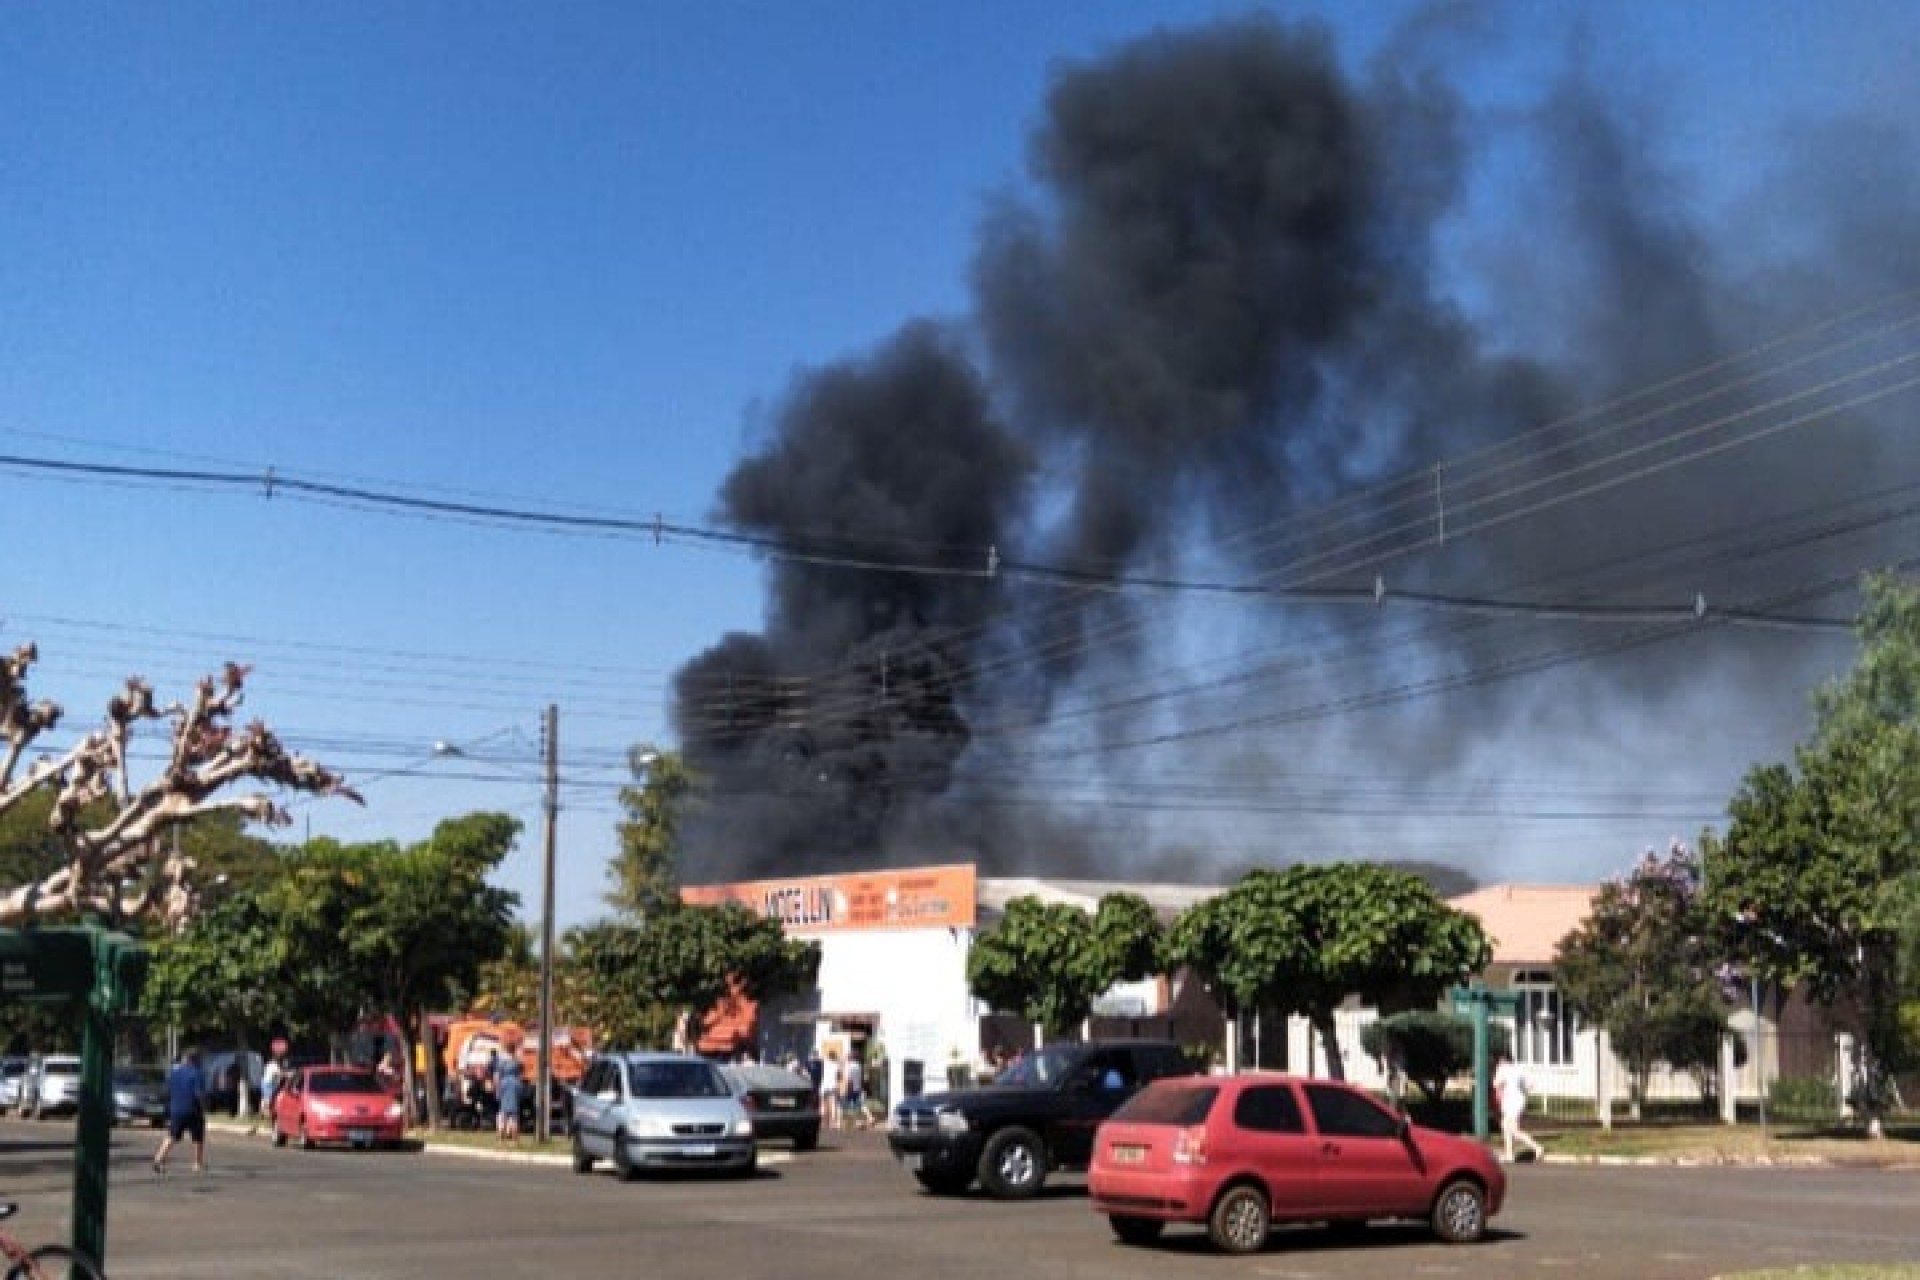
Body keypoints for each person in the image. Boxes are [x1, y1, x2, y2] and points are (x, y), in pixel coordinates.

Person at [154, 1046, 208, 1176]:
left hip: (176, 1109)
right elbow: (199, 1094)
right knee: (197, 1137)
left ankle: (158, 1159)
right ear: (196, 1060)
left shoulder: (174, 1073)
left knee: (172, 1135)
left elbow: (167, 1090)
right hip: (193, 1110)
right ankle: (197, 1163)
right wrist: (204, 1106)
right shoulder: (197, 1073)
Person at [1493, 1052, 1544, 1163]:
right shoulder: (1519, 1069)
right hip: (1519, 1101)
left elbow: (1498, 1087)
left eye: (1500, 1060)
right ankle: (1509, 1154)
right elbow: (1529, 1085)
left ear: (1503, 1060)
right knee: (1506, 1127)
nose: (1499, 1062)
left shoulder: (1501, 1069)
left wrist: (1498, 1103)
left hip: (1509, 1102)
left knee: (1513, 1130)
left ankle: (1537, 1148)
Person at [250, 1045, 287, 1137]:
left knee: (263, 1108)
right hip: (269, 1087)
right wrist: (290, 1074)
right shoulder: (274, 1066)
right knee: (268, 1108)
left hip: (267, 1085)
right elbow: (281, 1075)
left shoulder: (271, 1065)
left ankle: (255, 1127)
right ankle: (274, 1126)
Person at [494, 1049, 524, 1145]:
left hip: (504, 1105)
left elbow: (498, 1094)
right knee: (514, 1121)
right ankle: (515, 1141)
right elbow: (521, 1093)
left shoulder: (502, 1082)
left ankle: (501, 1140)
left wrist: (499, 1096)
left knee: (502, 1122)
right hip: (514, 1104)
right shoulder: (517, 1082)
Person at [841, 1053, 869, 1130]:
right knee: (857, 1106)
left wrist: (847, 1089)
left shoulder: (849, 1066)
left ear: (850, 1058)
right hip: (858, 1088)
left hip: (850, 1088)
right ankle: (858, 1123)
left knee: (845, 1106)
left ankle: (845, 1123)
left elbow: (849, 1078)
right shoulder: (859, 1066)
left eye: (846, 1058)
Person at [818, 1045, 842, 1132]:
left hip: (824, 1085)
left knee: (822, 1104)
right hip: (833, 1085)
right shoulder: (837, 1065)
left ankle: (822, 1123)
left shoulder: (824, 1063)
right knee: (833, 1104)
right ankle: (832, 1123)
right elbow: (840, 1077)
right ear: (835, 1057)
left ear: (828, 1056)